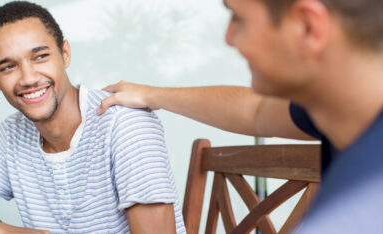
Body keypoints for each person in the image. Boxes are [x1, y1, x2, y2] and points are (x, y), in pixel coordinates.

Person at [97, 0, 383, 232]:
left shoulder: (356, 209)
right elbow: (254, 111)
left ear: (308, 27)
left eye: (238, 19)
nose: (229, 38)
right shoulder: (338, 108)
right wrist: (151, 95)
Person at [0, 2, 186, 233]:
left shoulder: (124, 123)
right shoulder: (11, 137)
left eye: (39, 57)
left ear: (65, 54)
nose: (28, 78)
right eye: (8, 66)